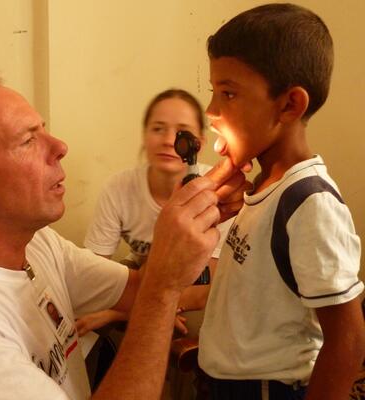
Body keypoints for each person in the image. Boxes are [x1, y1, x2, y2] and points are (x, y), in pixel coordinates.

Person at [0, 71, 248, 400]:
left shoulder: (39, 244)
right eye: (28, 140)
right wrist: (163, 288)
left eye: (43, 129)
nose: (60, 147)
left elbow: (140, 288)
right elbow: (155, 292)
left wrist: (208, 219)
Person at [197, 3, 365, 400]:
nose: (212, 111)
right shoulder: (261, 187)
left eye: (228, 93)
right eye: (214, 92)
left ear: (289, 105)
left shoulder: (308, 202)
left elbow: (348, 339)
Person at [77, 89, 234, 337]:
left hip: (195, 300)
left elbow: (200, 293)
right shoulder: (119, 188)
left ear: (199, 143)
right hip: (146, 280)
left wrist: (118, 313)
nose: (169, 140)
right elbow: (94, 273)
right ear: (145, 136)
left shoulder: (216, 192)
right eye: (158, 129)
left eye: (182, 132)